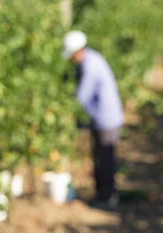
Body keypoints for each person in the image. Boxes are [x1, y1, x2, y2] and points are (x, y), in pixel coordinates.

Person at [62, 30, 124, 210]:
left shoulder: (89, 66)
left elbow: (82, 96)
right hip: (103, 118)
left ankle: (107, 197)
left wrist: (65, 110)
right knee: (101, 156)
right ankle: (104, 195)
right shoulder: (92, 59)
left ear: (78, 51)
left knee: (105, 158)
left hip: (106, 119)